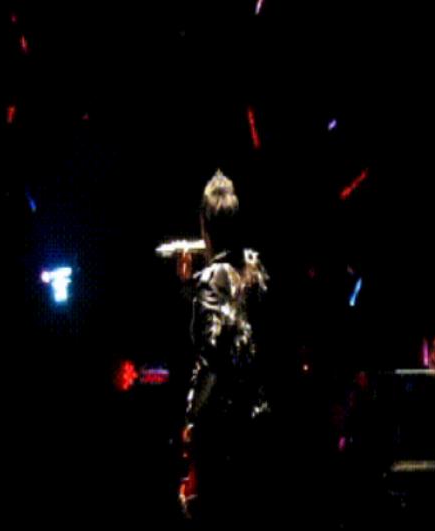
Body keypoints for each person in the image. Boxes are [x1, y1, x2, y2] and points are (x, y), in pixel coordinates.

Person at [178, 169, 270, 523]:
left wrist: (192, 423)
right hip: (258, 427)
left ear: (205, 226)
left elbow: (212, 359)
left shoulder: (212, 282)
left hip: (224, 436)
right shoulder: (256, 271)